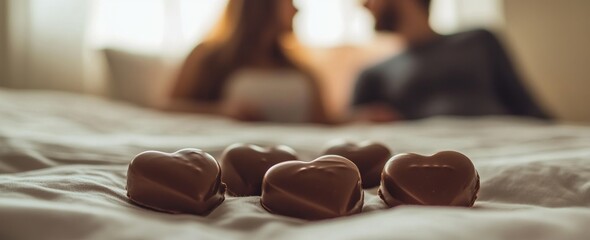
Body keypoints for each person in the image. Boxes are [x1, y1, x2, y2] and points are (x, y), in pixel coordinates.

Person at [352, 0, 550, 122]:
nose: (362, 5)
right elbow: (344, 127)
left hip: (507, 138)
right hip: (429, 156)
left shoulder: (478, 40)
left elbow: (526, 105)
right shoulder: (373, 73)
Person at [167, 0, 328, 123]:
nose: (297, 10)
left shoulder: (301, 69)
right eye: (290, 2)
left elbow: (325, 121)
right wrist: (220, 112)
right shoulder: (207, 57)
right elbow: (166, 107)